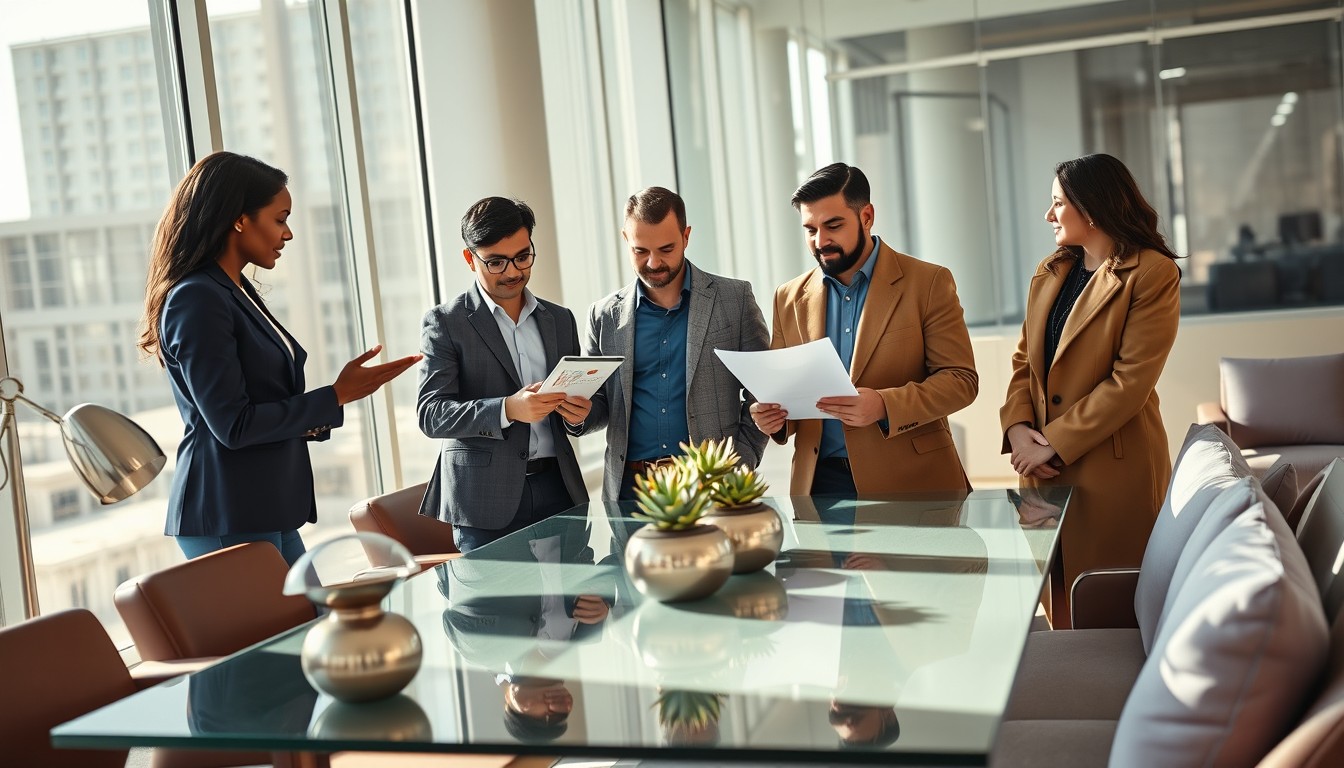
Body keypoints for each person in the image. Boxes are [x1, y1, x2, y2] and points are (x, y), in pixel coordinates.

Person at [139, 151, 419, 565]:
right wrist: (334, 397)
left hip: (263, 507)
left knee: (314, 625)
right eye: (280, 218)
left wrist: (334, 399)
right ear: (239, 218)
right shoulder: (197, 298)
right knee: (298, 628)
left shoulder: (234, 291)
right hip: (226, 513)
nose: (287, 234)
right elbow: (233, 425)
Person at [1000, 152, 1181, 628]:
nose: (1048, 215)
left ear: (1093, 209)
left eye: (1058, 203)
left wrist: (1053, 443)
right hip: (1038, 464)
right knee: (1055, 597)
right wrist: (1018, 430)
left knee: (1109, 606)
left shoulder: (1152, 272)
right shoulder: (1051, 271)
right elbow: (1025, 363)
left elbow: (1130, 383)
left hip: (1110, 468)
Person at [749, 163, 978, 496]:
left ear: (867, 217)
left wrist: (885, 405)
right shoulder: (788, 297)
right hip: (818, 486)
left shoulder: (927, 283)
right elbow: (788, 395)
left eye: (833, 225)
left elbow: (961, 380)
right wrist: (774, 418)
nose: (820, 240)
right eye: (810, 229)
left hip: (912, 480)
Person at [572, 186, 770, 500]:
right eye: (640, 251)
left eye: (666, 248)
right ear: (626, 239)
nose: (653, 263)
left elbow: (765, 391)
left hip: (713, 483)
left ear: (686, 236)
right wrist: (577, 413)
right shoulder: (603, 316)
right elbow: (601, 407)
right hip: (630, 491)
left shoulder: (735, 300)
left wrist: (740, 463)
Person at [417, 197, 590, 552]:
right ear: (470, 258)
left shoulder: (560, 319)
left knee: (572, 604)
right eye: (496, 262)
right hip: (484, 500)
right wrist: (508, 408)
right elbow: (431, 415)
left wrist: (582, 415)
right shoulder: (446, 323)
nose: (513, 272)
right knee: (499, 607)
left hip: (560, 488)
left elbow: (586, 403)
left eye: (523, 257)